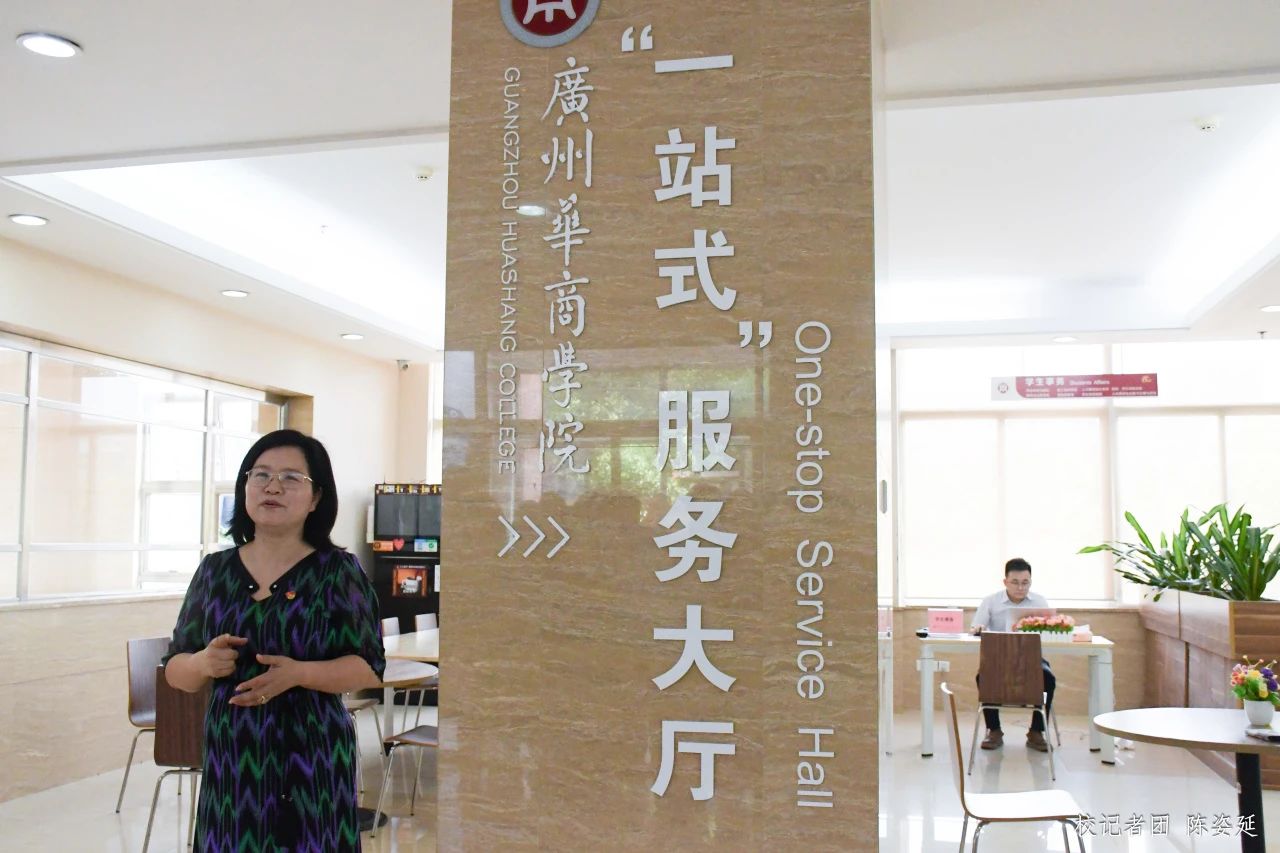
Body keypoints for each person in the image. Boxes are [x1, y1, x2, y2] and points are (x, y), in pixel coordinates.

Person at [163, 429, 386, 851]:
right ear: (245, 488)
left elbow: (368, 668)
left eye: (291, 477)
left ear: (316, 497)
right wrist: (202, 663)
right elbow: (177, 670)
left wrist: (299, 674)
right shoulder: (214, 572)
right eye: (261, 474)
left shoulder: (338, 572)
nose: (272, 486)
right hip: (232, 764)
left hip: (313, 761)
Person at [970, 557, 1056, 753]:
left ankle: (1036, 731)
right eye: (1015, 582)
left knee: (1048, 678)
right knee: (984, 676)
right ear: (1005, 582)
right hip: (999, 658)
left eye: (1025, 582)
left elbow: (1048, 631)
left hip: (1032, 658)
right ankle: (994, 730)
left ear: (1030, 581)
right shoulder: (991, 601)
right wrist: (979, 628)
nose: (1020, 587)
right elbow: (976, 627)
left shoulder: (1039, 602)